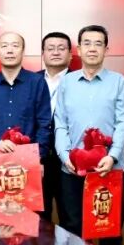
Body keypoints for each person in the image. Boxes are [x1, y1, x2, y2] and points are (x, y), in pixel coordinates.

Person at [53, 25, 124, 245]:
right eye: (87, 43)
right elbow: (60, 122)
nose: (92, 48)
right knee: (73, 228)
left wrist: (112, 156)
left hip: (108, 168)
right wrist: (64, 155)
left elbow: (122, 122)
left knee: (109, 230)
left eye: (98, 44)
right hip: (72, 169)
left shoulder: (118, 82)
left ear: (106, 49)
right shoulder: (67, 82)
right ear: (79, 49)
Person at [0, 32, 51, 208]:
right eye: (4, 46)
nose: (10, 50)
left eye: (15, 46)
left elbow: (44, 123)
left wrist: (39, 159)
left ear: (23, 51)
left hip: (28, 163)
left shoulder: (37, 82)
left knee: (29, 216)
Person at [40, 31, 72, 220]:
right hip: (38, 158)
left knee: (69, 215)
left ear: (70, 54)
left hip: (68, 159)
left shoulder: (78, 80)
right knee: (39, 216)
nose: (56, 52)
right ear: (43, 54)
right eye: (50, 48)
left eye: (61, 48)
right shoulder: (32, 80)